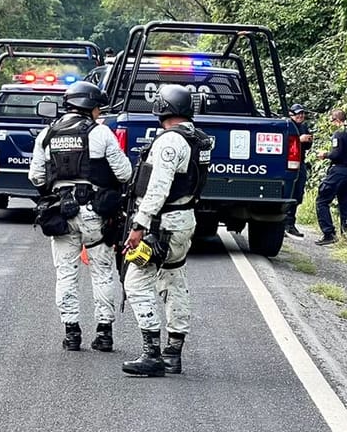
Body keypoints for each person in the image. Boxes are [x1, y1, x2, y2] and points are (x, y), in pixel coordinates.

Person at [28, 80, 132, 353]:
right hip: (95, 213)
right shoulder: (101, 133)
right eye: (98, 108)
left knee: (65, 274)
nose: (99, 112)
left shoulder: (47, 135)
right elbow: (125, 173)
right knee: (102, 273)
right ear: (89, 107)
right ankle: (104, 333)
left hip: (61, 213)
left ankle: (71, 333)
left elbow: (36, 177)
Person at [121, 85, 213, 377]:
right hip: (184, 220)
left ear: (163, 108)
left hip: (162, 225)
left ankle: (152, 354)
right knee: (174, 279)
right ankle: (173, 352)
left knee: (135, 282)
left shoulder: (169, 142)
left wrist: (139, 225)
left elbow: (158, 187)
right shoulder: (198, 139)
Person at [314, 108, 347, 246]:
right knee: (346, 205)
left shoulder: (338, 134)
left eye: (332, 120)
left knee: (322, 200)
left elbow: (336, 154)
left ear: (337, 120)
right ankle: (346, 236)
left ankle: (328, 233)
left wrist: (325, 155)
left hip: (339, 171)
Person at [285, 104, 315, 238]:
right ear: (291, 114)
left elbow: (307, 146)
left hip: (300, 163)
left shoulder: (304, 126)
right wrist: (299, 139)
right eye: (298, 113)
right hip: (286, 163)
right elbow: (284, 143)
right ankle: (281, 223)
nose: (301, 116)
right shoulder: (286, 125)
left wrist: (309, 140)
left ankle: (290, 224)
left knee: (298, 193)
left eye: (302, 113)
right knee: (286, 192)